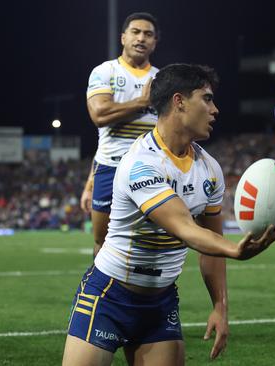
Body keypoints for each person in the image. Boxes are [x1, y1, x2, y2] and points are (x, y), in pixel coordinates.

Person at [62, 64, 275, 365]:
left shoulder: (210, 169)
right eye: (207, 99)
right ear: (179, 101)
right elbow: (182, 226)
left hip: (160, 302)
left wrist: (220, 307)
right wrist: (235, 250)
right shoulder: (140, 162)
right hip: (110, 296)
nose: (215, 109)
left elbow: (212, 244)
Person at [80, 12, 160, 257]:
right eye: (135, 32)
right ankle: (100, 293)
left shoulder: (163, 79)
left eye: (148, 34)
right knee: (103, 242)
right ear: (123, 37)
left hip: (151, 169)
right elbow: (100, 115)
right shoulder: (105, 72)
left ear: (155, 42)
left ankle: (145, 293)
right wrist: (142, 102)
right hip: (110, 168)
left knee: (151, 242)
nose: (141, 38)